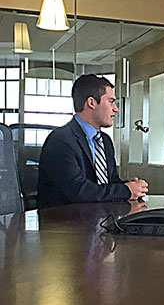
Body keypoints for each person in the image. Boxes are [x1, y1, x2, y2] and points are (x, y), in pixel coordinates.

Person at [37, 74, 148, 208]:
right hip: (65, 223)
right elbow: (79, 191)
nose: (116, 109)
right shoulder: (60, 141)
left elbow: (109, 182)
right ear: (91, 103)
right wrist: (125, 191)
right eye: (111, 102)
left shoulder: (104, 141)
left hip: (99, 219)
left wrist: (132, 187)